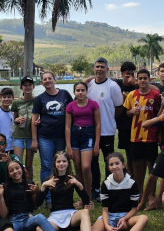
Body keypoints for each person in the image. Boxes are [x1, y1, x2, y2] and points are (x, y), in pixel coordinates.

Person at [36, 151, 100, 231]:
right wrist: (43, 186)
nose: (61, 164)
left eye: (64, 161)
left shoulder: (73, 178)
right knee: (40, 227)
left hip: (70, 215)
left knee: (85, 212)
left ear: (68, 163)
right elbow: (38, 204)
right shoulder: (49, 180)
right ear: (55, 164)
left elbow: (86, 201)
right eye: (59, 161)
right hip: (55, 216)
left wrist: (80, 185)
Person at [89, 152, 149, 231]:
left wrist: (124, 219)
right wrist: (107, 225)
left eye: (117, 163)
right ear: (108, 167)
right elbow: (105, 210)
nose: (114, 166)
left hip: (126, 219)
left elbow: (134, 209)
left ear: (123, 165)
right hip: (109, 217)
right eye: (111, 164)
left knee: (144, 218)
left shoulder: (132, 183)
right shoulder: (106, 184)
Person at [86, 57, 125, 201]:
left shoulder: (113, 86)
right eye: (97, 66)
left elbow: (119, 107)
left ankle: (109, 188)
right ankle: (95, 189)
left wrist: (109, 118)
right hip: (90, 130)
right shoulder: (89, 85)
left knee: (109, 161)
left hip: (107, 130)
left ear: (107, 69)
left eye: (102, 67)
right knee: (92, 161)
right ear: (94, 68)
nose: (99, 69)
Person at [32, 71, 73, 206]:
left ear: (55, 80)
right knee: (46, 166)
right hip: (45, 137)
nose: (48, 81)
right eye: (45, 79)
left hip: (61, 136)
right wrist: (34, 140)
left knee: (60, 165)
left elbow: (73, 110)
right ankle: (48, 197)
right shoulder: (39, 99)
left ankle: (59, 193)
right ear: (42, 83)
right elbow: (34, 120)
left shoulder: (65, 94)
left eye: (50, 78)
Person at [123, 69, 161, 206]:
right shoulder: (132, 95)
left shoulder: (155, 95)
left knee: (151, 165)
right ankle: (139, 193)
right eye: (140, 78)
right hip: (136, 135)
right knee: (137, 165)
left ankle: (151, 195)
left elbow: (159, 114)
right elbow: (127, 113)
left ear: (149, 79)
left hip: (151, 135)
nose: (143, 81)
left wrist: (160, 134)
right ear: (137, 80)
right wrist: (131, 111)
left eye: (145, 78)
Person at [65, 81, 100, 206]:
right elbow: (67, 126)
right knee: (77, 166)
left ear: (86, 91)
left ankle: (88, 198)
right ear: (74, 92)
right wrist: (69, 146)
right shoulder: (70, 106)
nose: (80, 93)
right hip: (74, 136)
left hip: (88, 136)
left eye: (83, 90)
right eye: (78, 90)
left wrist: (96, 144)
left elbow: (98, 124)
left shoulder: (93, 104)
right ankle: (82, 197)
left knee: (86, 167)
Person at [113, 61, 138, 173]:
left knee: (136, 154)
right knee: (129, 153)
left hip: (137, 123)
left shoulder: (137, 85)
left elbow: (154, 89)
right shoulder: (117, 84)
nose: (130, 77)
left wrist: (136, 83)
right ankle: (131, 176)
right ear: (122, 74)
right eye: (127, 74)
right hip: (123, 124)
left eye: (132, 74)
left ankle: (135, 177)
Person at [12, 76, 36, 177]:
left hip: (31, 136)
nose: (28, 87)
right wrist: (17, 120)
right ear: (21, 87)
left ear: (33, 86)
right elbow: (14, 120)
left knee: (29, 165)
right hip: (19, 135)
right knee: (18, 164)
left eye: (30, 85)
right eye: (25, 85)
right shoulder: (16, 102)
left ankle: (29, 183)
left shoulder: (38, 100)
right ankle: (18, 184)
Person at [0, 87, 15, 155]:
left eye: (9, 97)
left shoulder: (12, 112)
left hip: (9, 145)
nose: (6, 99)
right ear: (0, 98)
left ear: (13, 98)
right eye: (4, 97)